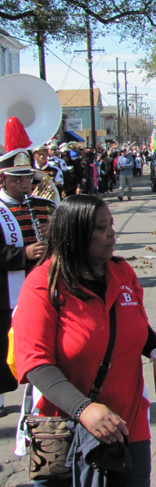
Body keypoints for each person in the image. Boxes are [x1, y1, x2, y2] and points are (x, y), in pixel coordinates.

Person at [14, 195, 156, 487]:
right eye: (101, 227)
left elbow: (137, 330)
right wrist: (84, 409)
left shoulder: (123, 274)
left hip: (128, 426)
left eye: (111, 225)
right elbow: (34, 362)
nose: (111, 234)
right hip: (64, 430)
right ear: (75, 234)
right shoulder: (42, 284)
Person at [0, 134, 56, 416]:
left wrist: (55, 235)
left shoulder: (44, 206)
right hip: (4, 293)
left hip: (43, 287)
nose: (24, 186)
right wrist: (24, 254)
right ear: (2, 181)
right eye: (17, 181)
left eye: (27, 181)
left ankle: (40, 391)